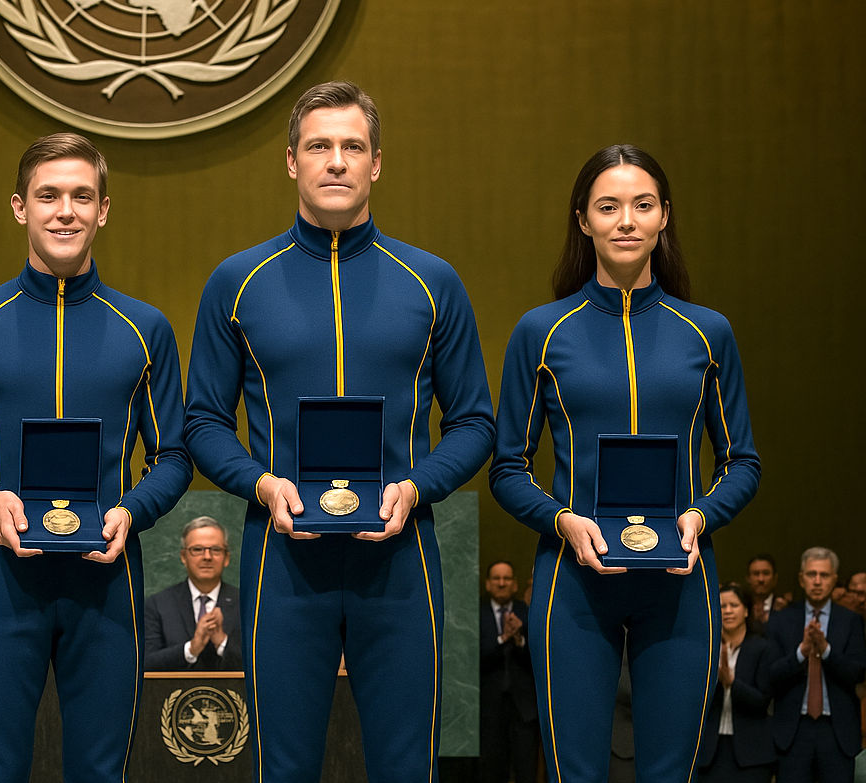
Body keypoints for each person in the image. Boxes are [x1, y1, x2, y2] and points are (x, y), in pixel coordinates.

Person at [184, 81, 495, 782]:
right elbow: (202, 421)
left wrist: (417, 487)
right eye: (319, 146)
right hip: (282, 556)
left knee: (406, 767)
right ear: (290, 161)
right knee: (282, 767)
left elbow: (476, 421)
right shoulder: (236, 282)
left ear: (376, 163)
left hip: (402, 555)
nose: (336, 161)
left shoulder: (432, 281)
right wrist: (261, 483)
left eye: (352, 146)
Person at [0, 133, 191, 783]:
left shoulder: (146, 329)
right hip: (0, 581)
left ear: (104, 209)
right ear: (19, 207)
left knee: (101, 769)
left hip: (107, 578)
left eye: (82, 195)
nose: (65, 210)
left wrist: (131, 512)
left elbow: (173, 455)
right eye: (48, 195)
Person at [489, 144, 761, 782]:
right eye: (608, 207)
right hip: (573, 579)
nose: (626, 221)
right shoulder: (542, 331)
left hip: (681, 576)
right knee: (573, 772)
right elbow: (507, 466)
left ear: (665, 216)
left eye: (642, 205)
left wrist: (701, 515)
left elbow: (742, 461)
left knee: (671, 772)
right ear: (583, 220)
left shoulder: (708, 332)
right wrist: (563, 520)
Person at [768, 547, 866, 783]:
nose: (817, 581)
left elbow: (857, 673)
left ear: (834, 579)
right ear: (801, 579)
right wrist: (801, 652)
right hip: (793, 730)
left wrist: (826, 650)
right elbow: (771, 674)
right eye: (811, 574)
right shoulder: (781, 619)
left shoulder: (850, 621)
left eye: (824, 575)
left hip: (837, 730)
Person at [697, 583, 776, 782]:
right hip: (710, 752)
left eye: (734, 605)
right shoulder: (705, 648)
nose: (728, 611)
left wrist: (732, 682)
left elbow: (763, 701)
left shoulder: (761, 647)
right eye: (722, 606)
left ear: (746, 610)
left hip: (751, 753)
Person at [144, 516, 242, 671]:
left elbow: (261, 664)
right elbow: (146, 663)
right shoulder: (158, 604)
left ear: (226, 558)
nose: (207, 557)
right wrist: (191, 649)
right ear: (184, 556)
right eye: (197, 549)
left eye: (215, 550)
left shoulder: (246, 604)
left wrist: (222, 642)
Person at [478, 561, 539, 783]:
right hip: (489, 709)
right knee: (493, 770)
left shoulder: (528, 612)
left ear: (515, 584)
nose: (502, 583)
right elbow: (472, 659)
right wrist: (503, 639)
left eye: (507, 579)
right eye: (497, 578)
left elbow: (540, 659)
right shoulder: (476, 613)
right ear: (487, 583)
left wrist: (519, 639)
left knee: (526, 770)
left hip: (524, 709)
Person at [746, 554, 788, 625]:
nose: (761, 579)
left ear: (775, 578)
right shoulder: (741, 606)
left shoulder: (785, 608)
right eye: (756, 574)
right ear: (748, 578)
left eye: (766, 573)